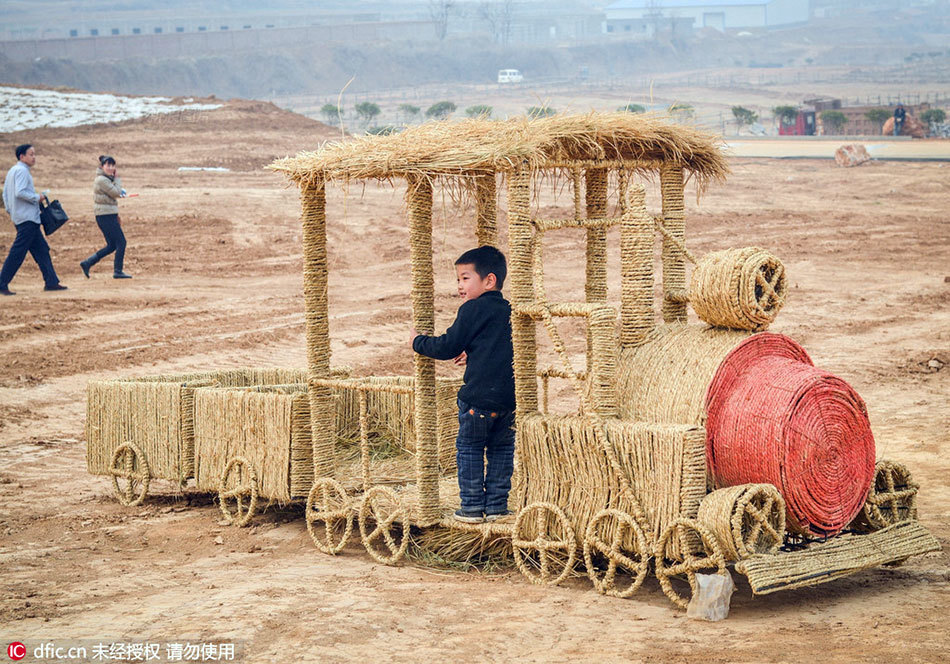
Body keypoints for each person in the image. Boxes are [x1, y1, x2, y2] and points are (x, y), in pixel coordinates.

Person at [411, 246, 516, 523]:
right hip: (508, 401)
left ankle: (470, 507)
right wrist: (474, 351)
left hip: (478, 400)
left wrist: (418, 342)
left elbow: (448, 346)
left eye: (465, 278)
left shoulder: (471, 309)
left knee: (469, 448)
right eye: (458, 279)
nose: (459, 286)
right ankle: (496, 507)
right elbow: (501, 345)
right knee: (501, 450)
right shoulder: (509, 310)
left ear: (489, 280)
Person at [0, 144, 66, 295]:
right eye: (31, 154)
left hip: (23, 217)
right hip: (27, 219)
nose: (34, 157)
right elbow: (20, 192)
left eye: (34, 154)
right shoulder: (22, 171)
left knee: (42, 250)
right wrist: (38, 197)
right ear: (22, 156)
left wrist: (12, 212)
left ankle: (52, 282)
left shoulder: (12, 171)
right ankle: (1, 283)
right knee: (17, 253)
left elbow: (6, 195)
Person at [81, 155, 131, 279]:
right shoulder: (102, 180)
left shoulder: (106, 179)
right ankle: (117, 271)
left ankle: (87, 263)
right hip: (105, 216)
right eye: (108, 165)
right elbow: (116, 192)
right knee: (121, 242)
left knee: (112, 245)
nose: (111, 168)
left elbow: (112, 196)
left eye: (113, 165)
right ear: (102, 166)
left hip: (107, 215)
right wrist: (117, 179)